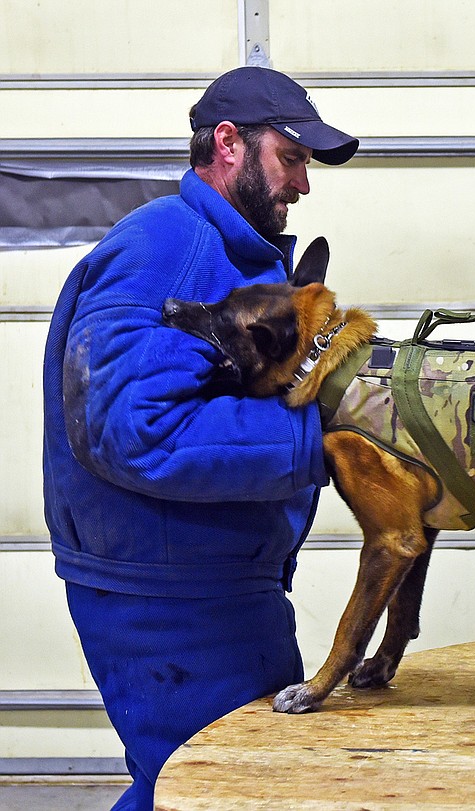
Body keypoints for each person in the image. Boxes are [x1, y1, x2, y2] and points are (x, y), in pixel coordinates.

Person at [42, 66, 358, 810]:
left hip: (217, 584)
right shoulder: (166, 247)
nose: (304, 185)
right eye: (293, 158)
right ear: (228, 144)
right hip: (167, 600)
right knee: (217, 790)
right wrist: (323, 440)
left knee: (202, 786)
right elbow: (133, 431)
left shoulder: (227, 252)